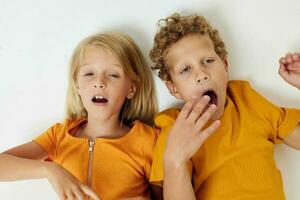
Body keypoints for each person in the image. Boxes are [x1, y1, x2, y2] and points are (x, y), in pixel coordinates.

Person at [148, 13, 300, 200]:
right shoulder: (174, 129)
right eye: (185, 69)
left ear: (225, 64)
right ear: (174, 88)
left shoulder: (247, 100)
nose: (201, 74)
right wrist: (175, 161)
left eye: (208, 61)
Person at [0, 32, 163, 200]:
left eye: (113, 75)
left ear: (131, 89)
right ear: (77, 86)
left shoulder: (149, 140)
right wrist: (51, 170)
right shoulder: (59, 136)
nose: (99, 82)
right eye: (89, 74)